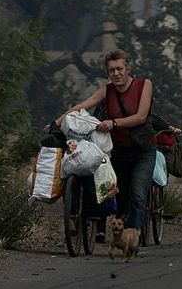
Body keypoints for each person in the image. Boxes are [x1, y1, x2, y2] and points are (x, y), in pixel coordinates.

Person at [64, 49, 155, 239]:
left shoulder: (143, 85)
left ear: (128, 69)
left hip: (143, 150)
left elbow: (141, 117)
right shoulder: (108, 90)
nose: (116, 73)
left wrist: (114, 123)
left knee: (137, 193)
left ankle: (133, 236)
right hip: (119, 152)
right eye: (112, 70)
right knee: (119, 196)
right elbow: (82, 106)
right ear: (108, 73)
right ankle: (119, 232)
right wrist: (57, 123)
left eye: (120, 69)